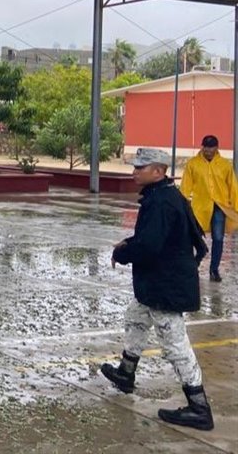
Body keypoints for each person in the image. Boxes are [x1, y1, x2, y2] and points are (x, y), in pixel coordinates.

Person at [100, 148, 214, 431]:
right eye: (135, 166)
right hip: (159, 283)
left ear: (158, 172)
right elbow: (157, 236)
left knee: (176, 345)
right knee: (135, 318)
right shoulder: (163, 196)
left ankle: (199, 407)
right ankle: (126, 373)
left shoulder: (161, 202)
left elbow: (150, 246)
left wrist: (124, 254)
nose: (135, 171)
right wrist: (129, 243)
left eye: (141, 167)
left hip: (166, 286)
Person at [179, 134, 237, 282]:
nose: (208, 150)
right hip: (200, 207)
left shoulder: (224, 165)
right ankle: (195, 262)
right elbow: (186, 185)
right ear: (202, 147)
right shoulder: (193, 164)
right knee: (194, 236)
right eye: (206, 147)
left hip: (220, 207)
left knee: (218, 238)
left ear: (217, 147)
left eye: (211, 147)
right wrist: (181, 205)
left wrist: (236, 205)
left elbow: (232, 186)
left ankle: (214, 269)